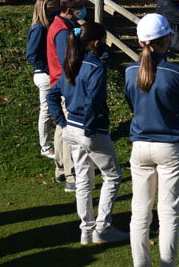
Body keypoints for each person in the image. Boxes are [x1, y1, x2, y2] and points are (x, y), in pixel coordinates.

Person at [125, 13, 179, 267]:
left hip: (140, 145)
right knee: (167, 214)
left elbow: (133, 104)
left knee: (140, 214)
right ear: (165, 39)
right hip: (169, 145)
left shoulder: (130, 71)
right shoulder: (175, 72)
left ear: (142, 41)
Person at [47, 22, 128, 245]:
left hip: (72, 128)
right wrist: (90, 128)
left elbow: (52, 96)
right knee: (112, 176)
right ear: (96, 43)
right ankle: (103, 227)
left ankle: (86, 229)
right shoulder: (96, 67)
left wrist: (62, 122)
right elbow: (94, 101)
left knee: (83, 180)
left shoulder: (71, 64)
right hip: (89, 129)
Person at [47, 0, 86, 192]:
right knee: (69, 129)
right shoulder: (62, 31)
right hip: (65, 82)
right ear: (69, 10)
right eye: (80, 8)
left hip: (60, 80)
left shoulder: (61, 26)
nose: (83, 11)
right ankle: (71, 174)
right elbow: (67, 60)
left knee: (61, 129)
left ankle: (61, 169)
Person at [26, 0, 59, 159]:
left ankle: (56, 142)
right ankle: (45, 146)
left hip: (47, 73)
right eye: (54, 10)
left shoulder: (45, 27)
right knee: (46, 110)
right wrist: (48, 69)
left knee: (51, 108)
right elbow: (31, 54)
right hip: (44, 75)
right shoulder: (39, 29)